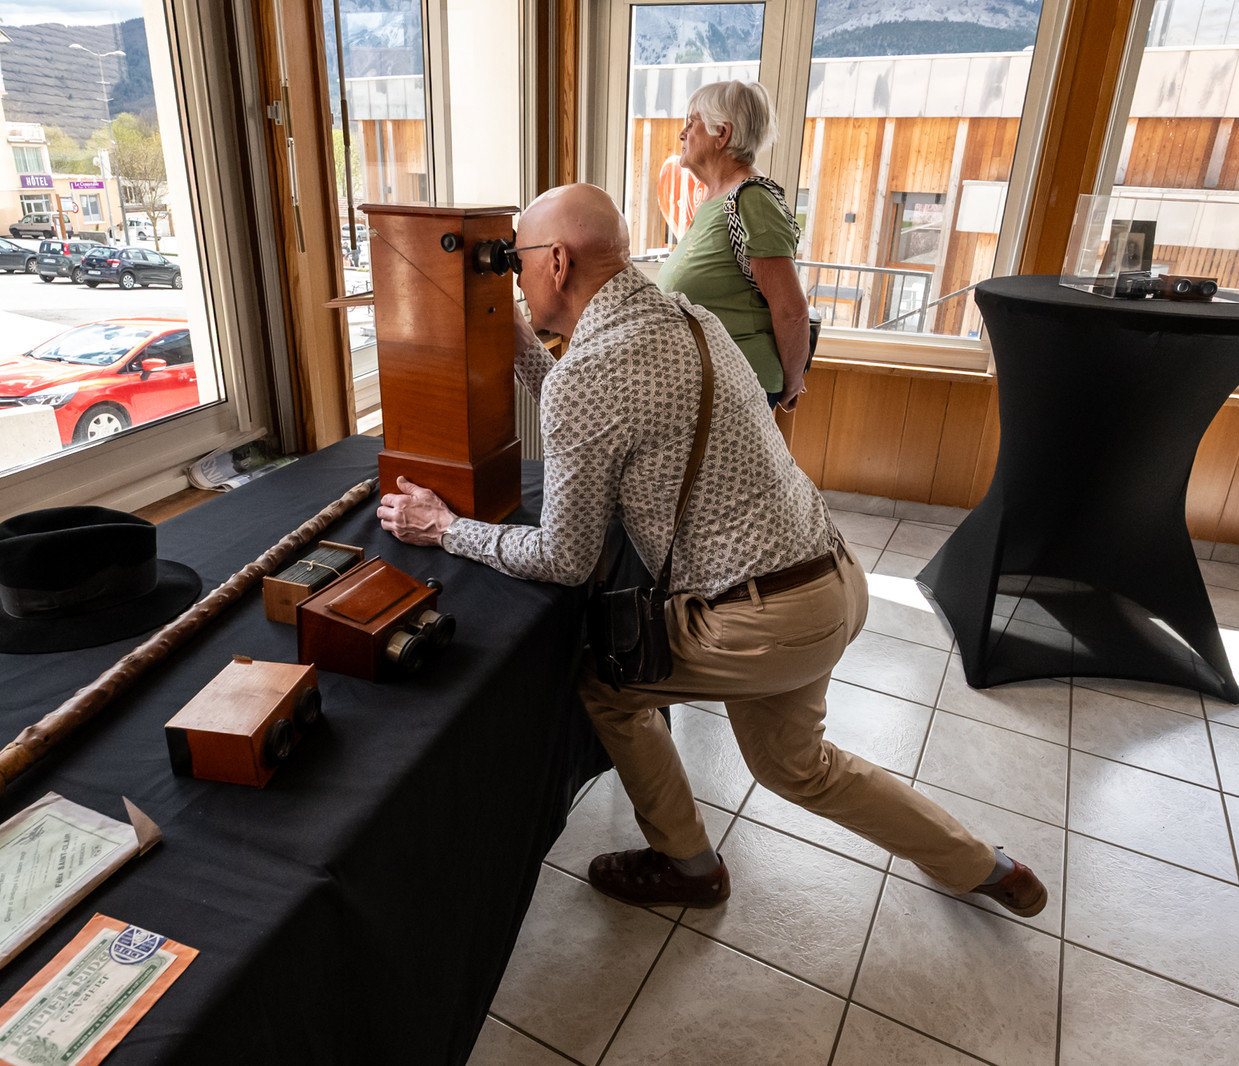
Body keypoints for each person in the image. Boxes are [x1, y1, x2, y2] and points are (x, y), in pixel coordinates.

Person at [376, 183, 1047, 919]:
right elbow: (587, 398)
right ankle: (983, 865)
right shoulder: (688, 317)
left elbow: (565, 557)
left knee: (609, 688)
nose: (516, 273)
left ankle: (686, 863)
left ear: (558, 262)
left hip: (764, 623)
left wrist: (441, 528)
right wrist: (515, 340)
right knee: (800, 768)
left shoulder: (598, 371)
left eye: (519, 260)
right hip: (831, 581)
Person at [658, 80, 810, 413]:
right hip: (710, 386)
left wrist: (790, 385)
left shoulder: (753, 200)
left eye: (691, 123)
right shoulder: (717, 199)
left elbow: (791, 311)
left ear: (722, 134)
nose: (682, 134)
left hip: (738, 390)